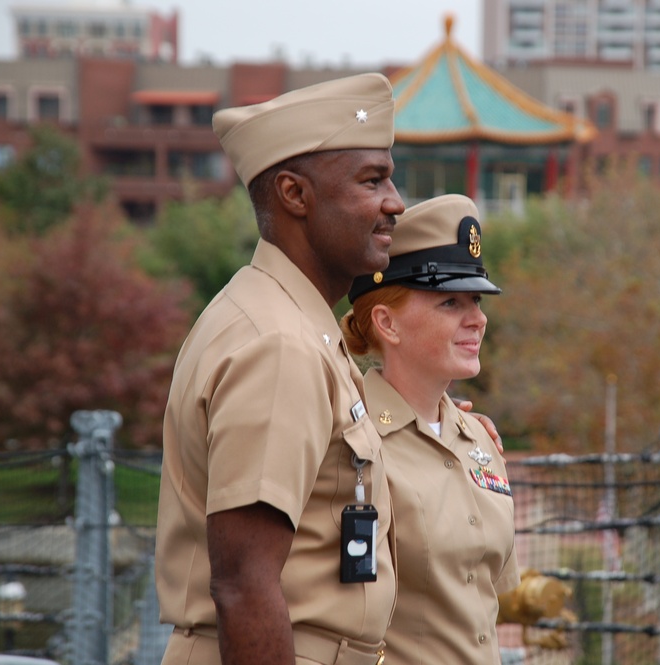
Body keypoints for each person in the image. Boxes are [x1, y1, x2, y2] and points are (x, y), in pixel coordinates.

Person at [155, 73, 405, 665]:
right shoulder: (280, 343)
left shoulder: (293, 322)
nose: (395, 202)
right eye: (372, 181)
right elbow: (244, 584)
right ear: (295, 195)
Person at [340, 194, 521, 664]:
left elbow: (491, 599)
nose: (477, 319)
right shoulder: (346, 440)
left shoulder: (480, 440)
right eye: (450, 301)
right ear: (387, 323)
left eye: (476, 300)